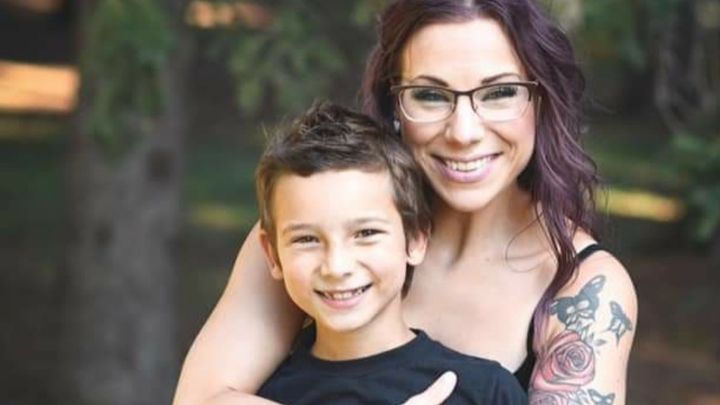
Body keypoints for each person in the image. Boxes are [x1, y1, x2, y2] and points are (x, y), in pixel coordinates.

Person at [173, 1, 638, 404]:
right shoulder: (313, 230)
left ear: (542, 100)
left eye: (499, 93)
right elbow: (200, 398)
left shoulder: (585, 288)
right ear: (394, 103)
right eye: (430, 95)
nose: (464, 132)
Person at [252, 102, 527, 404]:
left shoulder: (486, 391)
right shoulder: (259, 394)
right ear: (272, 254)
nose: (337, 266)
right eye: (307, 239)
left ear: (415, 239)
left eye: (365, 233)